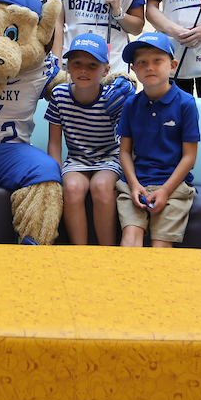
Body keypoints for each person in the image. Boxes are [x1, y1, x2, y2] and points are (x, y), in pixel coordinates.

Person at [44, 33, 130, 246]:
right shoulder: (59, 95)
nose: (84, 70)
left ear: (106, 70)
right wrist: (55, 175)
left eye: (93, 65)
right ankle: (79, 254)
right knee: (71, 188)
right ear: (68, 68)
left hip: (109, 158)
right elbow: (54, 143)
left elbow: (128, 141)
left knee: (101, 186)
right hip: (77, 161)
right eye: (77, 64)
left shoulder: (113, 97)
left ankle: (106, 252)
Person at [116, 32, 200, 248]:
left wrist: (164, 191)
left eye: (157, 61)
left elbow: (189, 157)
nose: (149, 67)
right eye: (142, 62)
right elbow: (124, 152)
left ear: (172, 65)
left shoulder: (186, 104)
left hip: (173, 186)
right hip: (136, 183)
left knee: (160, 247)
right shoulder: (131, 104)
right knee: (130, 240)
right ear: (133, 70)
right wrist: (134, 185)